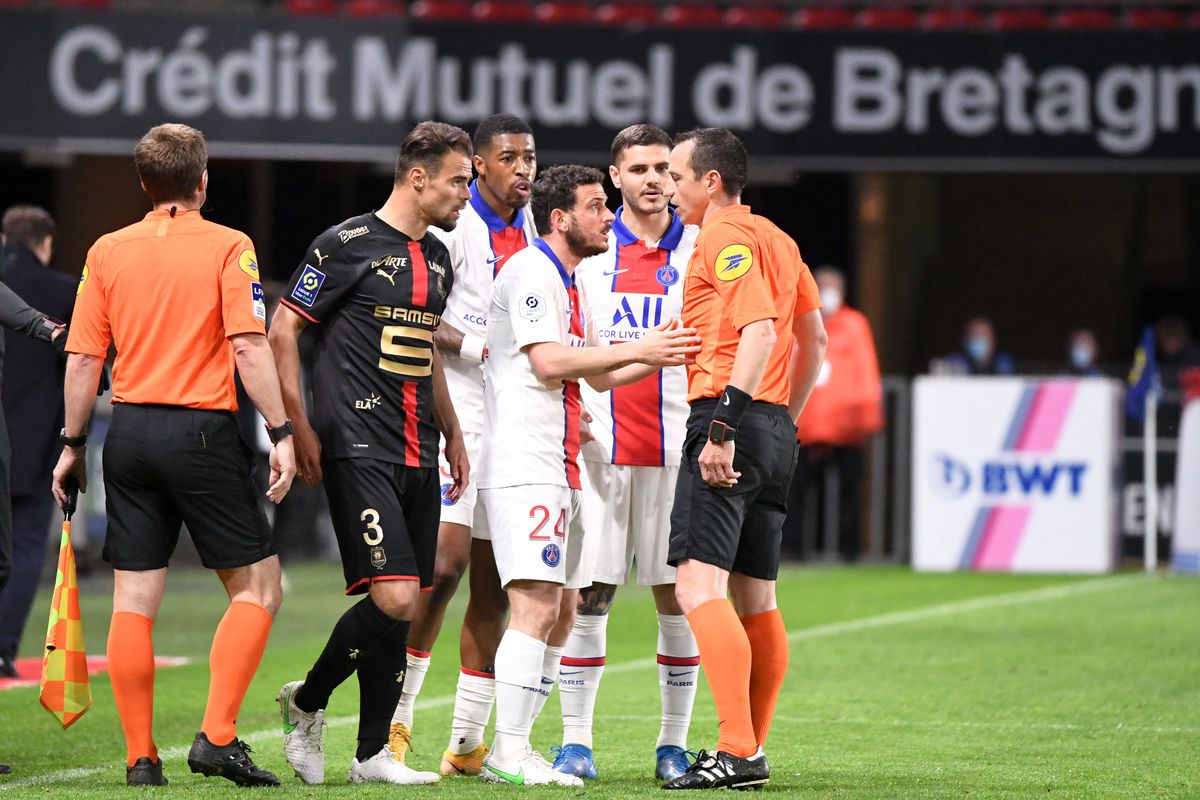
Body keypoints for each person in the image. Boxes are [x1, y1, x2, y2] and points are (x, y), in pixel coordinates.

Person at [51, 123, 295, 787]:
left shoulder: (106, 250)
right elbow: (249, 347)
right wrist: (282, 432)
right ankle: (216, 737)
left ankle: (140, 758)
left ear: (143, 183)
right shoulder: (228, 246)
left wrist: (72, 445)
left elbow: (82, 359)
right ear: (203, 179)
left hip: (126, 433)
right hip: (201, 433)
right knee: (260, 586)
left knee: (134, 598)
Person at [476, 164, 700, 787]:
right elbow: (550, 364)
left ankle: (515, 747)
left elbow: (596, 375)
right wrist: (639, 350)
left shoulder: (569, 280)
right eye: (597, 206)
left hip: (560, 462)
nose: (609, 217)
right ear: (560, 219)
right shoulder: (530, 272)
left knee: (564, 606)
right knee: (536, 603)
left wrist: (656, 348)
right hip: (525, 462)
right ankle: (507, 750)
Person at [270, 121, 472, 786]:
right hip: (358, 445)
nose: (465, 193)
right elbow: (283, 329)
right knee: (391, 598)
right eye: (457, 180)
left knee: (408, 602)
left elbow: (427, 357)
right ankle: (307, 701)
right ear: (417, 176)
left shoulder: (439, 258)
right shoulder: (345, 243)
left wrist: (455, 433)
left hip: (420, 448)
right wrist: (298, 427)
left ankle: (371, 756)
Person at [663, 128, 826, 790]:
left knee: (696, 585)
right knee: (755, 595)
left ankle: (735, 749)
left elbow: (760, 330)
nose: (668, 189)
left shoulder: (723, 238)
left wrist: (726, 424)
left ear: (710, 181)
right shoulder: (779, 240)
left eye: (676, 176)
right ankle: (749, 748)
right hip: (774, 427)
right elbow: (813, 337)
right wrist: (784, 420)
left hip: (727, 417)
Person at [389, 113, 539, 777]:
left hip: (517, 415)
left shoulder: (533, 229)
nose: (524, 170)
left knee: (495, 581)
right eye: (510, 158)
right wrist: (485, 348)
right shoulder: (457, 227)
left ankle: (466, 740)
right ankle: (395, 718)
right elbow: (429, 324)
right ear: (479, 165)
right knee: (442, 566)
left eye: (530, 157)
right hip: (463, 407)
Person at [550, 125, 700, 783]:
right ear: (614, 177)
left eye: (662, 167)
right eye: (636, 167)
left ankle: (673, 745)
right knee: (589, 596)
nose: (651, 179)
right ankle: (576, 742)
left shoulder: (700, 250)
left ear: (676, 176)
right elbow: (571, 348)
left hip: (680, 451)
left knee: (678, 597)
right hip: (603, 451)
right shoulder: (588, 257)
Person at [0, 206, 75, 680]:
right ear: (44, 242)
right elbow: (81, 365)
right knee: (25, 547)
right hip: (34, 446)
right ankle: (4, 645)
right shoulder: (64, 290)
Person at [782, 266, 883, 562]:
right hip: (804, 425)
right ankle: (792, 550)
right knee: (794, 494)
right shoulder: (797, 321)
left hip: (846, 428)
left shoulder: (855, 324)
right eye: (822, 285)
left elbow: (867, 371)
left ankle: (849, 551)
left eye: (832, 286)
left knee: (850, 495)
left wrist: (868, 416)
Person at [934, 317, 1014, 376]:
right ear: (965, 341)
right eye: (974, 336)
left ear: (993, 340)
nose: (978, 340)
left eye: (983, 335)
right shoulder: (954, 363)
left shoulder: (1004, 364)